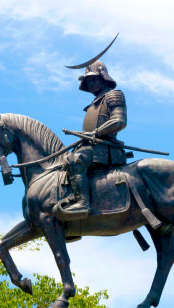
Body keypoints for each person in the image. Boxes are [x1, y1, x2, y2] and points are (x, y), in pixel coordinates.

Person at [59, 60, 128, 220]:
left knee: (76, 160)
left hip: (105, 149)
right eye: (88, 81)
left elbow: (119, 121)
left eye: (94, 79)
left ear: (103, 77)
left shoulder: (113, 95)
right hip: (92, 147)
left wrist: (96, 133)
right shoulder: (93, 104)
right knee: (64, 160)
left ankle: (83, 203)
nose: (91, 83)